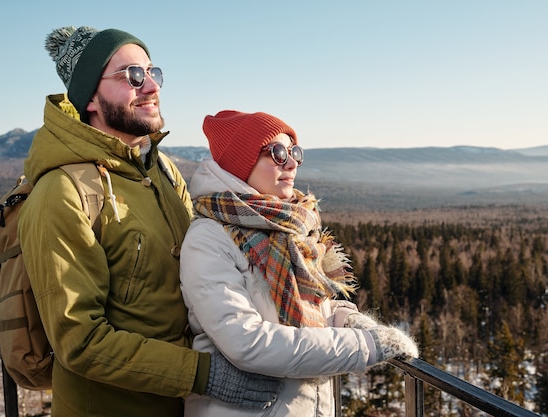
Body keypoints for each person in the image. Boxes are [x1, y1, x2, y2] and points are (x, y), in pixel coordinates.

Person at [18, 27, 279, 417]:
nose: (151, 86)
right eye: (132, 76)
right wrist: (203, 374)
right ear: (90, 96)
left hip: (183, 405)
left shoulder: (161, 170)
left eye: (153, 73)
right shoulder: (63, 191)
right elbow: (81, 341)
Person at [179, 110, 419, 416]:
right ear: (242, 163)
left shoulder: (292, 228)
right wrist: (363, 347)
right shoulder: (209, 238)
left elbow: (310, 305)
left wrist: (346, 318)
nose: (292, 162)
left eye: (294, 152)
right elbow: (246, 342)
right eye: (278, 153)